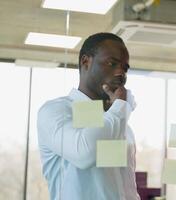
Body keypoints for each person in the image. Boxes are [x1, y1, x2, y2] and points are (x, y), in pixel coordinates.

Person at [37, 32, 140, 200]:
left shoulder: (121, 124)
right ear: (85, 62)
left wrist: (119, 112)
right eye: (112, 63)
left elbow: (126, 188)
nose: (120, 73)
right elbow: (85, 154)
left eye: (125, 68)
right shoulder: (55, 110)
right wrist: (120, 108)